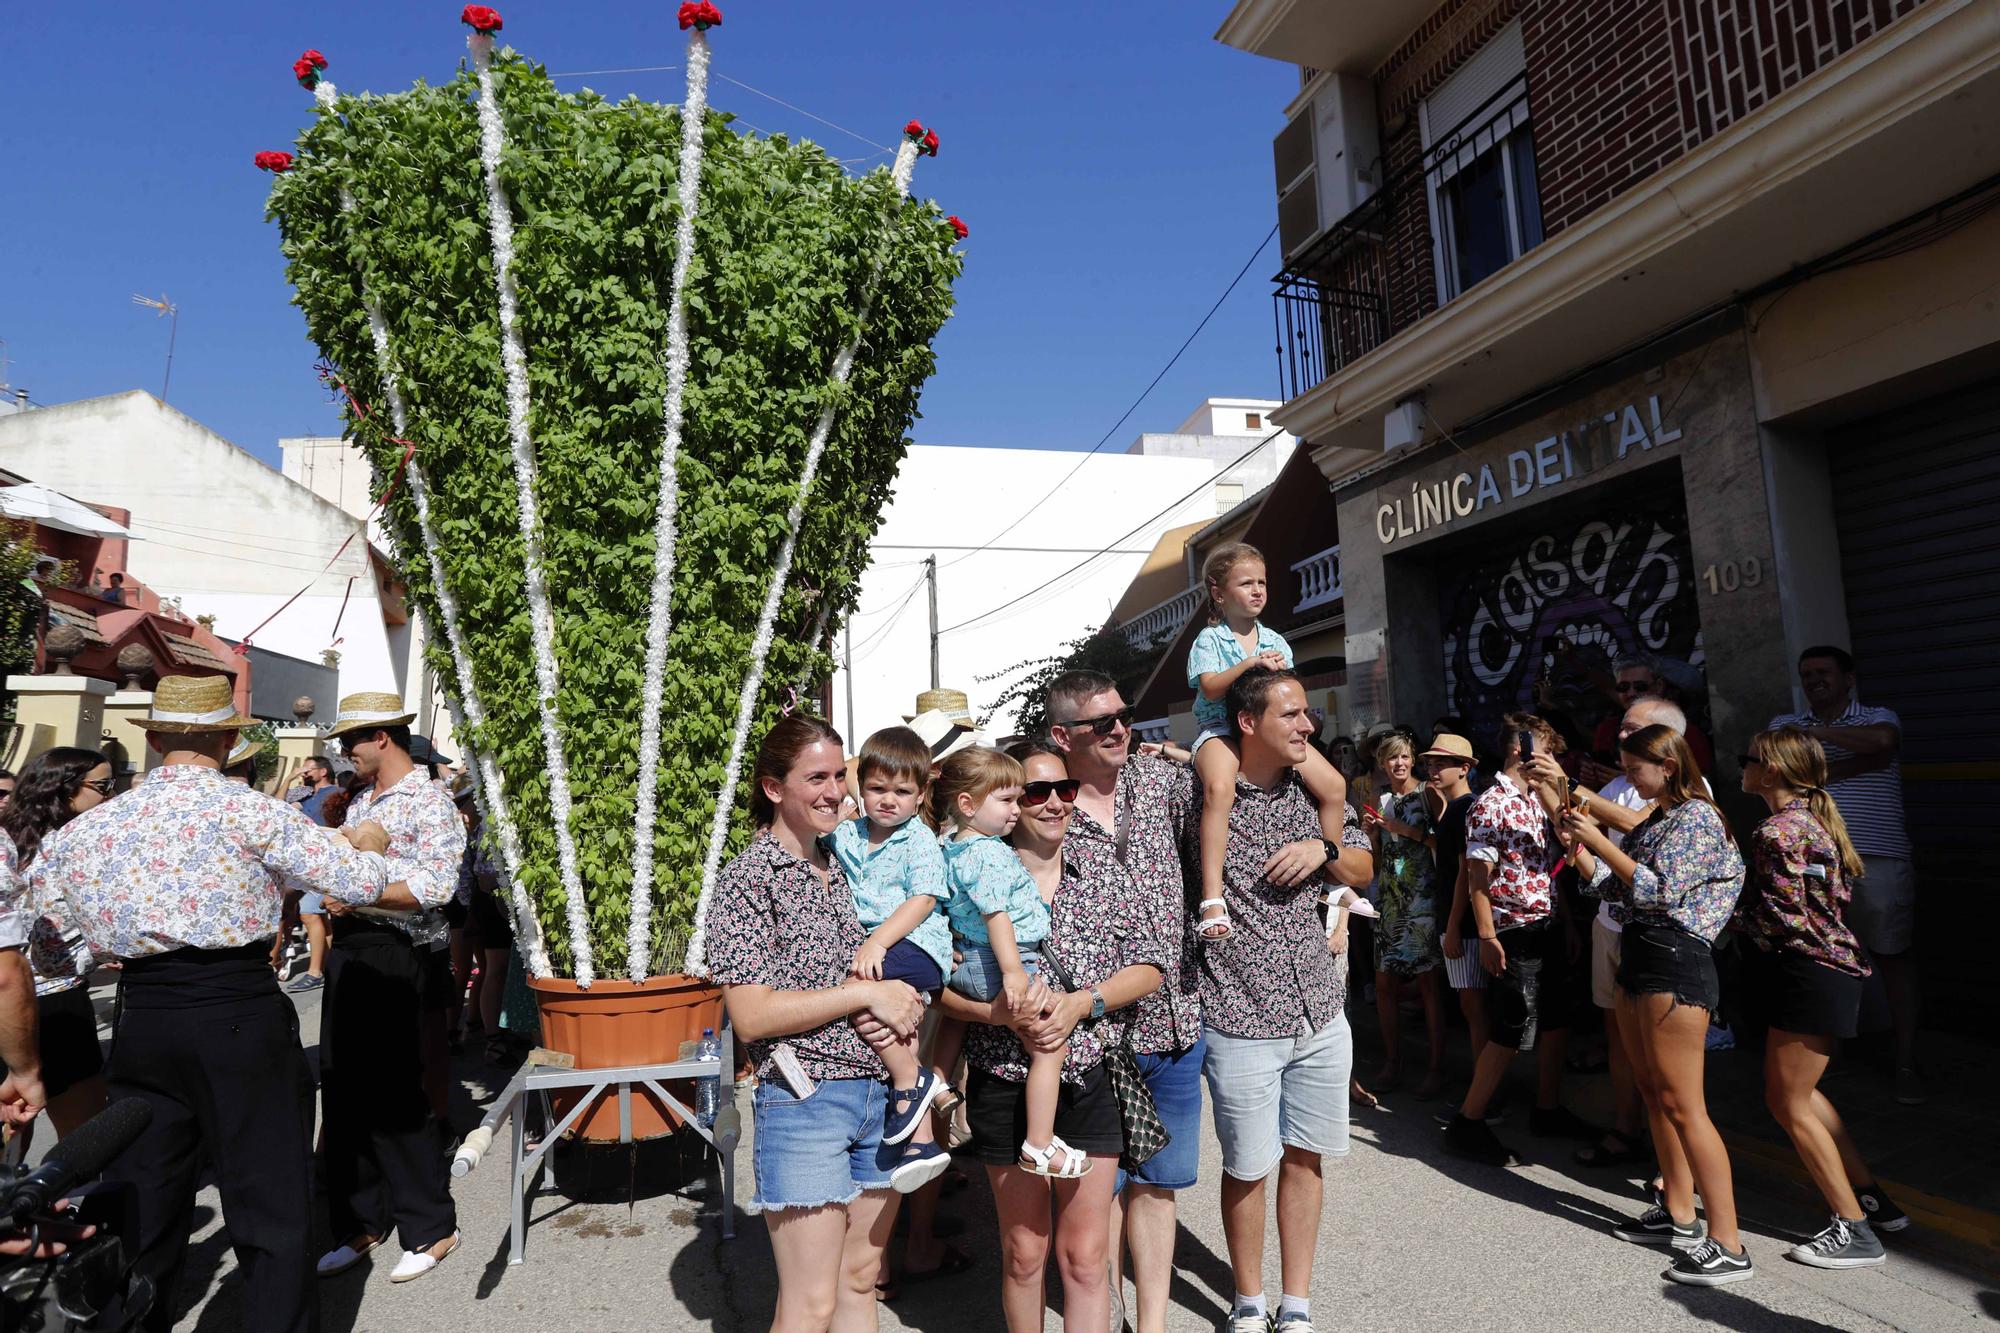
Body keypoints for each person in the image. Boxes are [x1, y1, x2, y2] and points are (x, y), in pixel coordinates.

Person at [21, 673, 395, 1333]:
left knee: (146, 1194)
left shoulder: (87, 829)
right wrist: (368, 841)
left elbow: (48, 952)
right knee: (269, 1198)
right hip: (236, 1006)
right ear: (225, 738)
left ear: (156, 736)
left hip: (143, 1014)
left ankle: (134, 1321)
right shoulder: (249, 808)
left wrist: (119, 949)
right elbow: (360, 881)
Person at [703, 713, 926, 1333]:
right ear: (775, 788)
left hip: (879, 1092)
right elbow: (751, 1016)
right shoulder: (748, 880)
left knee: (859, 1282)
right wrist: (867, 998)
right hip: (806, 1103)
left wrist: (903, 997)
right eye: (816, 778)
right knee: (810, 1305)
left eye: (839, 775)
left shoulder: (847, 860)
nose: (835, 791)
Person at [936, 739, 1165, 1332]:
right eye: (1035, 792)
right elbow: (935, 986)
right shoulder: (965, 871)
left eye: (1065, 789)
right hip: (1004, 1081)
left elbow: (1151, 966)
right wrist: (999, 1017)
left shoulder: (1105, 875)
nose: (1054, 804)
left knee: (1086, 1258)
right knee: (1024, 1253)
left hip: (1090, 1076)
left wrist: (1079, 1005)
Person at [1195, 667, 1373, 1333]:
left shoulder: (1314, 789)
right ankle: (1248, 1298)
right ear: (1248, 722)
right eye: (1292, 714)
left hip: (1320, 1011)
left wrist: (1321, 846)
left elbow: (1362, 864)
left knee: (1306, 1156)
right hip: (1240, 1014)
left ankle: (1294, 1304)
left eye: (1306, 714)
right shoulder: (1204, 789)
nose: (1308, 724)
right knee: (1247, 1165)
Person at [1044, 671, 1204, 1333]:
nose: (1119, 727)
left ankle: (1153, 1324)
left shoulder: (1162, 783)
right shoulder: (1042, 803)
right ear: (1061, 735)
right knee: (1096, 1197)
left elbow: (1247, 800)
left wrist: (1332, 840)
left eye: (1124, 714)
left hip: (1175, 1017)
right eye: (1100, 721)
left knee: (1157, 1184)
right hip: (1092, 1039)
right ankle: (1103, 1318)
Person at [1564, 725, 1750, 1286]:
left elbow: (1660, 890)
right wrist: (1580, 851)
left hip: (1676, 959)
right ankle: (1680, 1214)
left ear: (1668, 765)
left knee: (1684, 1103)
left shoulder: (1696, 816)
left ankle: (1729, 1241)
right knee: (1654, 1093)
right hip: (1641, 953)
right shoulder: (1658, 820)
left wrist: (1598, 842)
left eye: (1635, 769)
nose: (1629, 780)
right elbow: (1617, 888)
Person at [1737, 727, 1907, 1264]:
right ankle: (1871, 1200)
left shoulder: (1775, 832)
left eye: (1751, 759)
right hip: (1830, 969)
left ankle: (1853, 1229)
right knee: (1803, 1096)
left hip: (1807, 971)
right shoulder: (1811, 822)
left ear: (1774, 771)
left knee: (1786, 1101)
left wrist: (1721, 917)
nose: (1741, 764)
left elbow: (1782, 919)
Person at [315, 692, 464, 1286]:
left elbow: (436, 886)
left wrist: (361, 894)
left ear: (382, 738)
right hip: (354, 948)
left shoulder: (428, 800)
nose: (343, 752)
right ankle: (361, 1220)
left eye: (350, 741)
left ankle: (430, 1225)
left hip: (396, 950)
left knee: (396, 1089)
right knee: (345, 1087)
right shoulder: (362, 802)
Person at [1769, 645, 1921, 1105]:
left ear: (1848, 678)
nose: (1814, 680)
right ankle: (1825, 1060)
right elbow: (1779, 771)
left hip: (1877, 858)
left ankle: (1907, 1062)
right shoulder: (1782, 726)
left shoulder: (1878, 716)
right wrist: (1854, 764)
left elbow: (1881, 744)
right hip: (1812, 866)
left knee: (1892, 957)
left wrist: (1814, 742)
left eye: (1823, 672)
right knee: (1823, 962)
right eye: (1806, 673)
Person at [1185, 543, 1348, 943]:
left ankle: (1333, 880)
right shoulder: (1210, 639)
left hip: (1269, 733)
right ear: (1219, 593)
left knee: (1334, 786)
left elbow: (1285, 690)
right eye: (1246, 583)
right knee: (1220, 788)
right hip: (1221, 728)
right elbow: (1209, 687)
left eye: (1262, 582)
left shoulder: (1275, 638)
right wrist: (1249, 665)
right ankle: (1212, 897)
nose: (1257, 590)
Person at [1444, 714, 1588, 1165]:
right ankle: (1468, 1121)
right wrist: (1486, 934)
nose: (1549, 761)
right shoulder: (1490, 804)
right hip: (1513, 929)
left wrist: (1566, 922)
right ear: (1519, 749)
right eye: (1543, 750)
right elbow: (1476, 876)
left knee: (1556, 1019)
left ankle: (1547, 1108)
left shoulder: (1538, 802)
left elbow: (1550, 867)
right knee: (1512, 1026)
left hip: (1546, 922)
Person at [932, 747, 1078, 1178]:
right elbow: (998, 917)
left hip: (971, 962)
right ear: (967, 804)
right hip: (998, 963)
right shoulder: (989, 853)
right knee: (1050, 1045)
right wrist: (1014, 973)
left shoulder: (950, 846)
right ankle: (1039, 1143)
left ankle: (938, 1080)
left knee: (954, 1020)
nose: (1016, 811)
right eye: (1007, 800)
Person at [1567, 696, 1698, 1171]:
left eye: (1632, 731)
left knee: (1667, 1068)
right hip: (1615, 924)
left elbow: (1647, 865)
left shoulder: (1691, 805)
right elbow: (1609, 883)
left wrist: (1589, 821)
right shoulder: (1624, 783)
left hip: (1667, 946)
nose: (1619, 737)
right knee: (1623, 1043)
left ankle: (1679, 1177)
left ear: (1667, 752)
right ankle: (1628, 1130)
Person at [830, 725, 955, 1191]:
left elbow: (922, 899)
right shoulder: (849, 835)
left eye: (902, 791)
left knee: (853, 992)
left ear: (921, 793)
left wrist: (879, 942)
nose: (888, 800)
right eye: (877, 788)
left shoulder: (918, 840)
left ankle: (909, 1080)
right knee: (875, 1014)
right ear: (859, 786)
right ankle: (920, 1135)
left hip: (916, 945)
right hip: (881, 947)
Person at [0, 748, 113, 1147]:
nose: (108, 796)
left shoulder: (11, 839)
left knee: (14, 1129)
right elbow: (48, 951)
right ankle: (70, 1205)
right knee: (82, 1138)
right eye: (102, 786)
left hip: (16, 1004)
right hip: (54, 1001)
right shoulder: (67, 847)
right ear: (64, 790)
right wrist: (101, 951)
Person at [1357, 733, 1446, 1098]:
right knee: (1384, 984)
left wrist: (1404, 830)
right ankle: (1393, 1061)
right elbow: (1376, 863)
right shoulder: (1378, 800)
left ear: (1413, 760)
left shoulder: (1427, 794)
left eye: (1405, 757)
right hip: (1391, 897)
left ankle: (1437, 1067)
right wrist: (1373, 838)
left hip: (1423, 896)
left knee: (1429, 985)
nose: (1399, 764)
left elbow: (1443, 842)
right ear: (1381, 763)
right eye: (1392, 758)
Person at [1428, 734, 1490, 1070]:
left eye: (1442, 763)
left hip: (1463, 924)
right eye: (1431, 763)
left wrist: (1452, 927)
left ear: (1464, 768)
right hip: (1458, 921)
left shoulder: (1465, 808)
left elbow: (1465, 872)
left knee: (1475, 1009)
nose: (1434, 769)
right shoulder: (1455, 808)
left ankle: (1485, 1095)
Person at [453, 780, 515, 1062]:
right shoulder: (485, 822)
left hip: (497, 899)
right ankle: (493, 1038)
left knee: (496, 969)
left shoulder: (497, 819)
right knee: (495, 969)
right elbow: (472, 868)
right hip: (492, 900)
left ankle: (494, 1029)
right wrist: (474, 904)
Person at [1583, 655, 1714, 780]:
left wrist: (1630, 780)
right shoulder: (1607, 729)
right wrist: (1591, 778)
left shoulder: (1685, 732)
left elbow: (1699, 783)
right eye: (1623, 687)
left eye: (1640, 686)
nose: (1631, 693)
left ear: (1659, 686)